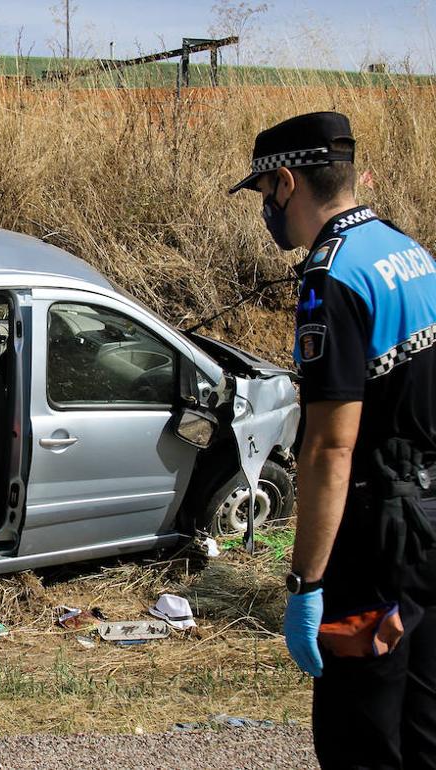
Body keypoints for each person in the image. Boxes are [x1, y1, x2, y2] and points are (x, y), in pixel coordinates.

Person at [231, 111, 436, 767]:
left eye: (266, 198)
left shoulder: (332, 277)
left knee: (361, 734)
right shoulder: (408, 252)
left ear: (286, 183)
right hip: (428, 520)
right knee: (423, 725)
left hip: (377, 535)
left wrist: (306, 582)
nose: (269, 214)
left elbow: (329, 448)